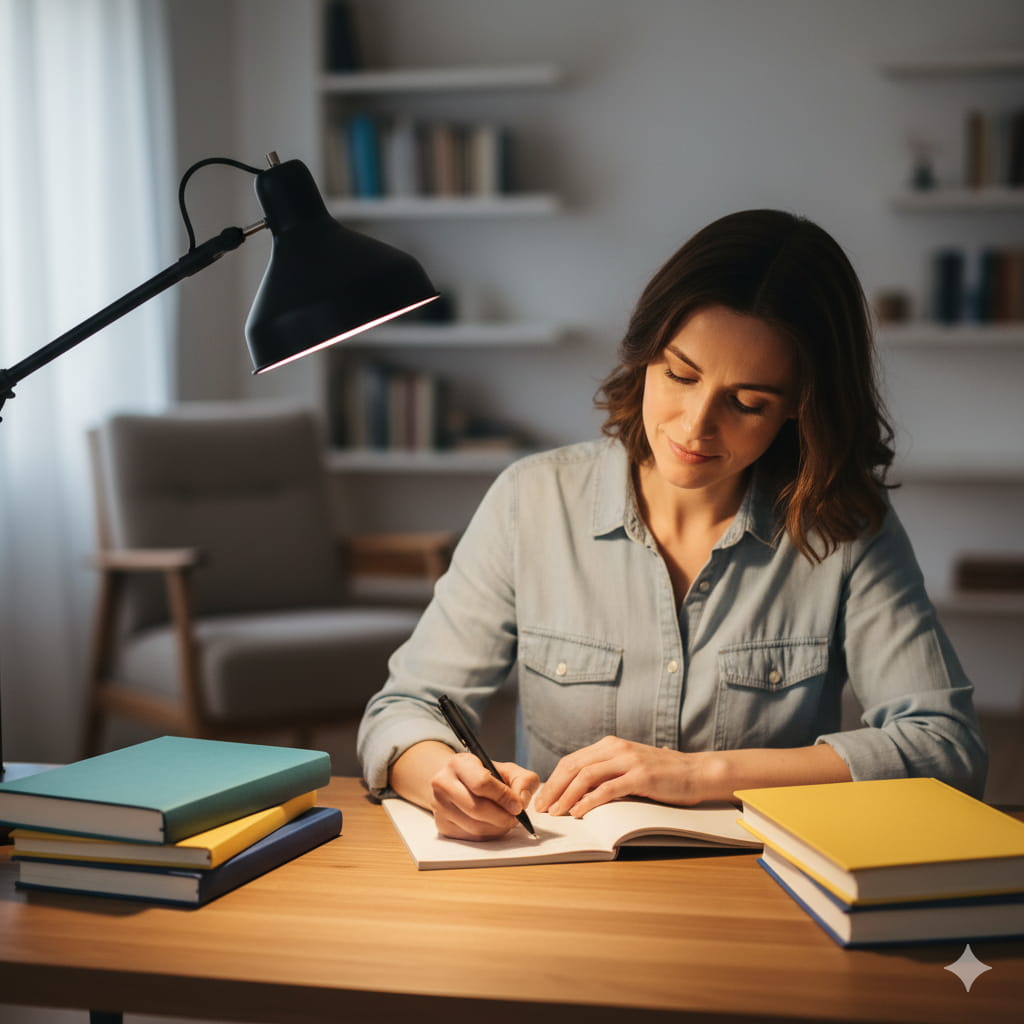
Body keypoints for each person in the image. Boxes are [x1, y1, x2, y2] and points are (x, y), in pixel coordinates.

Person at [357, 208, 987, 841]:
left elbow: (948, 751)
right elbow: (404, 711)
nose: (694, 426)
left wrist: (700, 775)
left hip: (760, 888)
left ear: (801, 407)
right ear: (643, 356)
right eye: (680, 375)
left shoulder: (844, 528)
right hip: (562, 882)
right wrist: (445, 778)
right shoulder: (533, 499)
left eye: (747, 403)